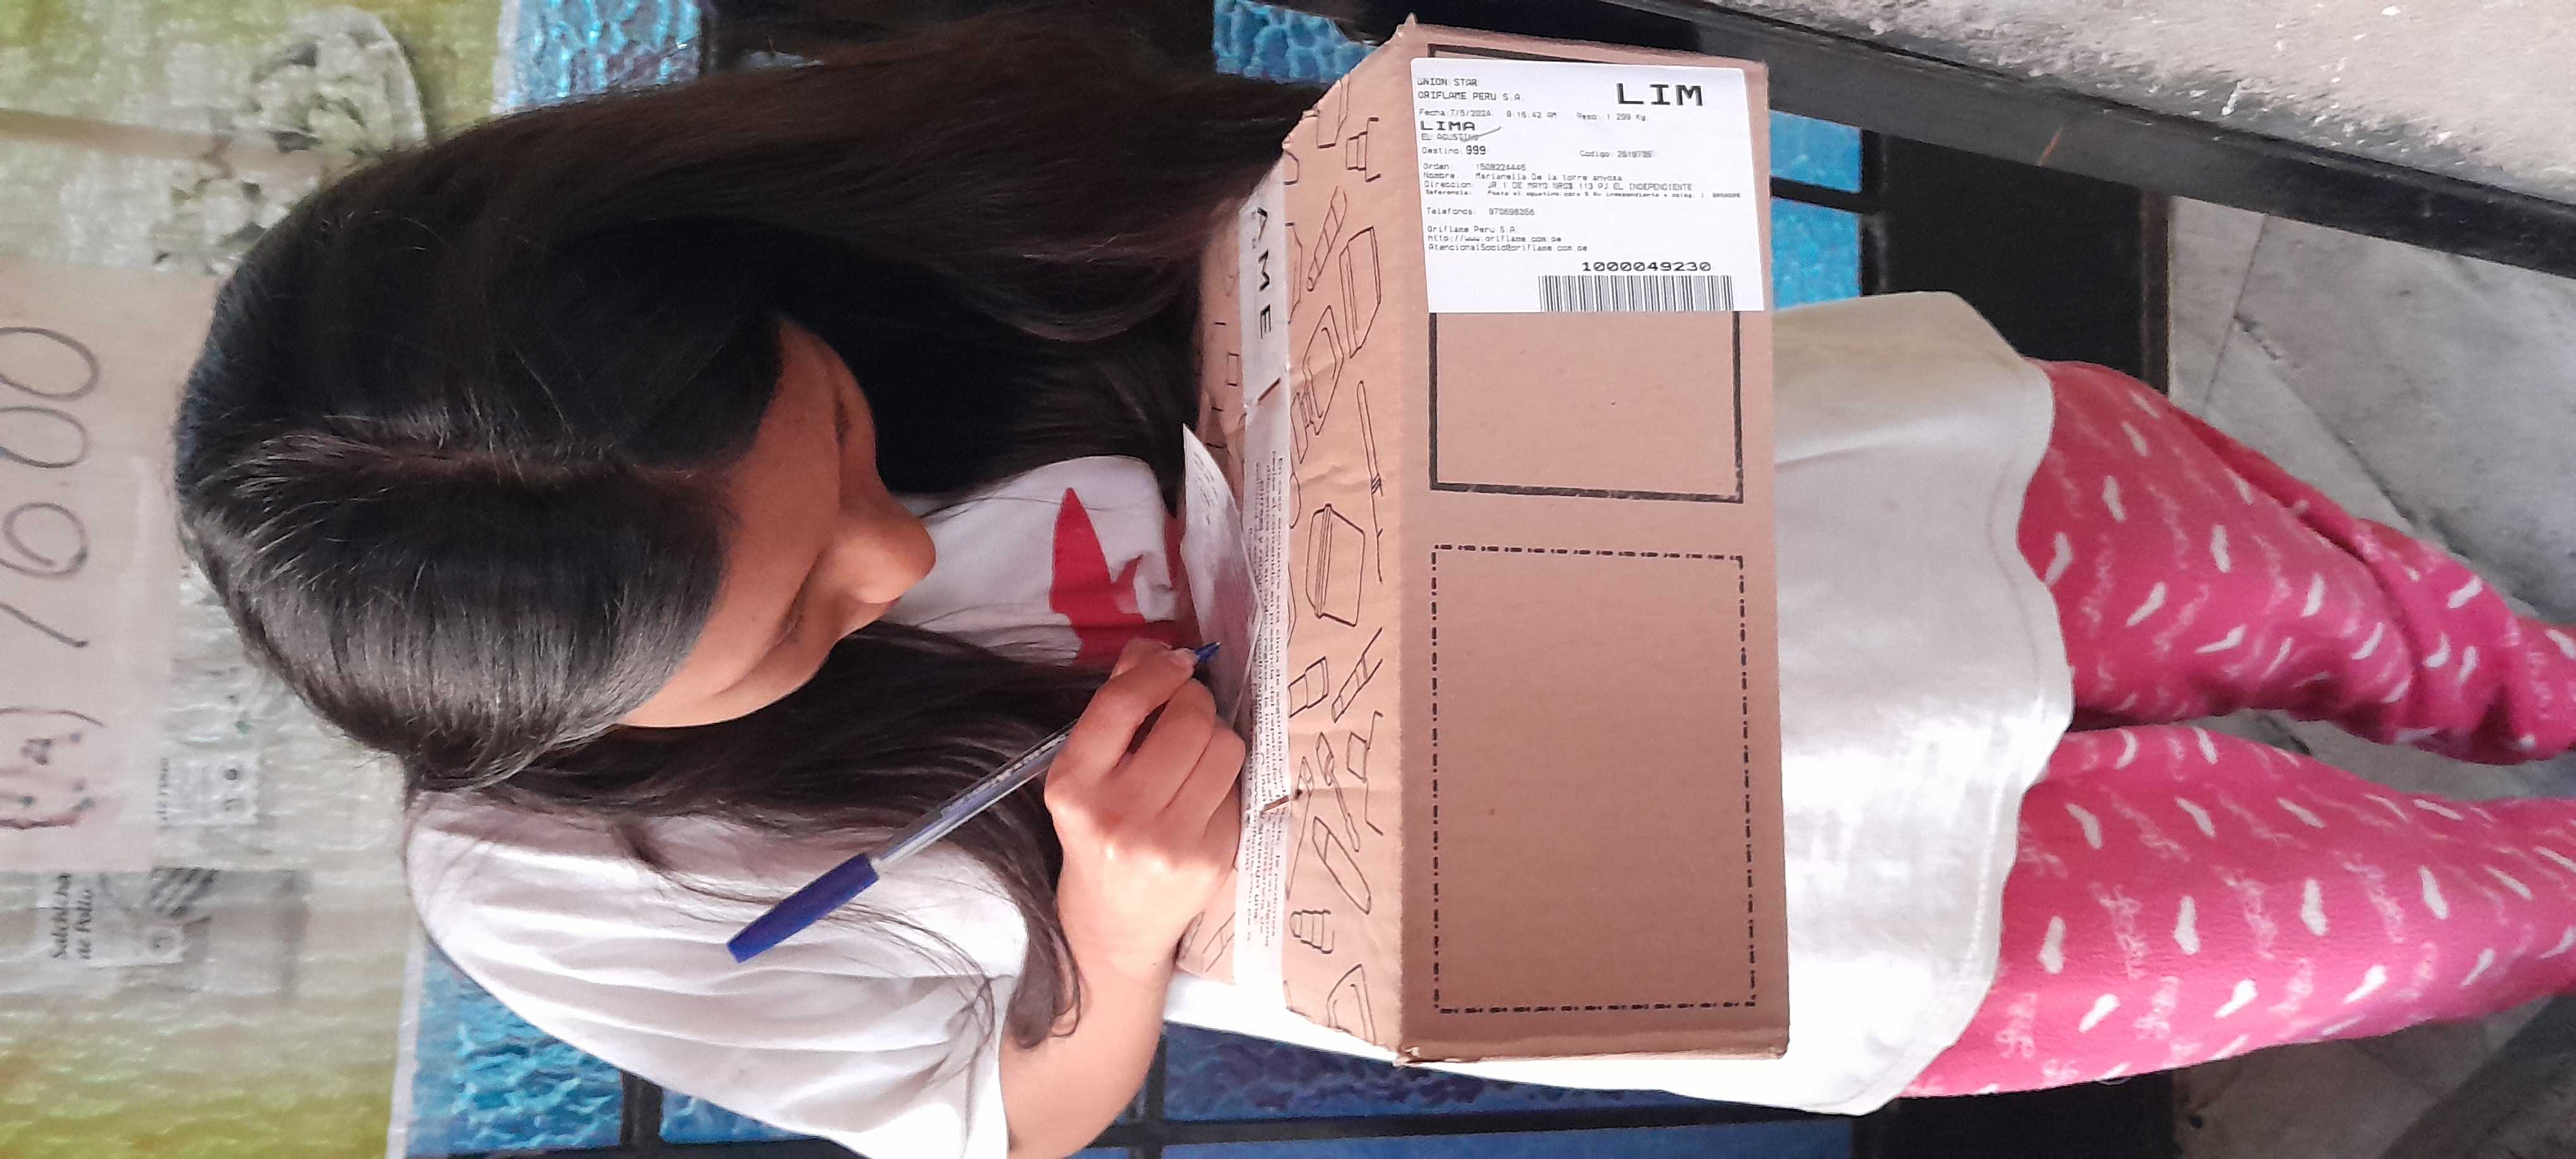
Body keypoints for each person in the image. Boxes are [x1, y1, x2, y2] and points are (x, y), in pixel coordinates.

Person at [172, 12, 2576, 1158]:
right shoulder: (556, 884)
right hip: (1786, 895)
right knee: (2439, 916)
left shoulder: (853, 214)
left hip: (1845, 494)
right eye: (801, 627)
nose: (897, 559)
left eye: (848, 452)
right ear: (577, 728)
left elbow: (1367, 180)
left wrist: (1447, 207)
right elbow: (991, 1116)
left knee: (2388, 622)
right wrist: (1113, 926)